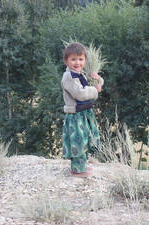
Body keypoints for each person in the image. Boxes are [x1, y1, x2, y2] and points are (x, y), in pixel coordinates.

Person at [61, 42, 104, 178]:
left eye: (80, 59)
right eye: (73, 59)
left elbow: (94, 86)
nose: (77, 62)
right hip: (75, 115)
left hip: (84, 113)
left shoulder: (80, 75)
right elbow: (80, 93)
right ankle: (77, 170)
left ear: (85, 60)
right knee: (77, 141)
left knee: (85, 139)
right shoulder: (68, 77)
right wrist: (94, 91)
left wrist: (98, 80)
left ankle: (82, 165)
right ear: (66, 61)